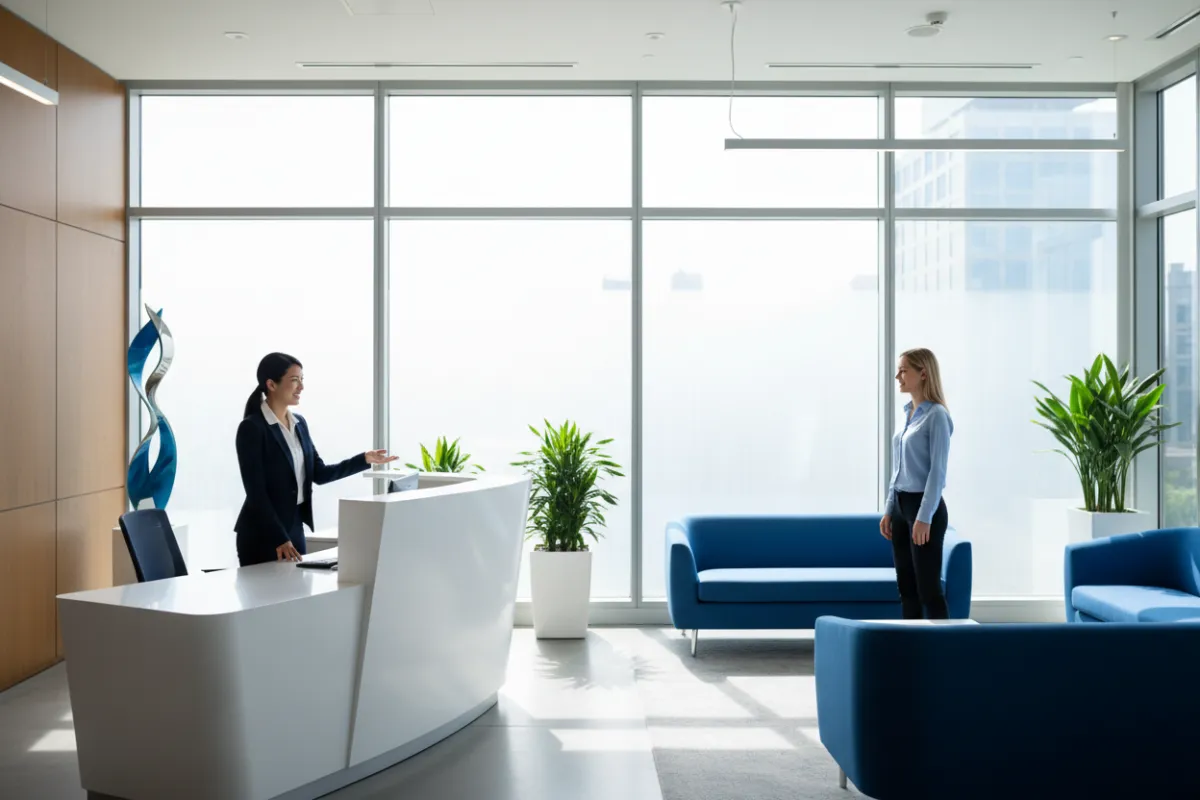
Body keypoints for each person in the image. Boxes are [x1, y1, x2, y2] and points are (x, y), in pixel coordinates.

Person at [234, 352, 396, 566]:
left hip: (294, 528)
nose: (301, 387)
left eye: (302, 380)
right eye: (294, 380)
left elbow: (319, 473)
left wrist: (364, 459)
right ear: (271, 385)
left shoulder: (299, 424)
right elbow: (256, 493)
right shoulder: (252, 428)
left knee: (298, 593)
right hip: (263, 534)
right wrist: (279, 537)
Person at [880, 347, 953, 620]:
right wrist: (889, 510)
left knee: (928, 590)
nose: (897, 375)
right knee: (906, 588)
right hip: (901, 506)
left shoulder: (937, 416)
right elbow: (898, 470)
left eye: (903, 370)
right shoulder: (908, 414)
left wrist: (924, 517)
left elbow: (937, 472)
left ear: (923, 373)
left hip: (923, 507)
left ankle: (942, 653)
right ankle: (910, 650)